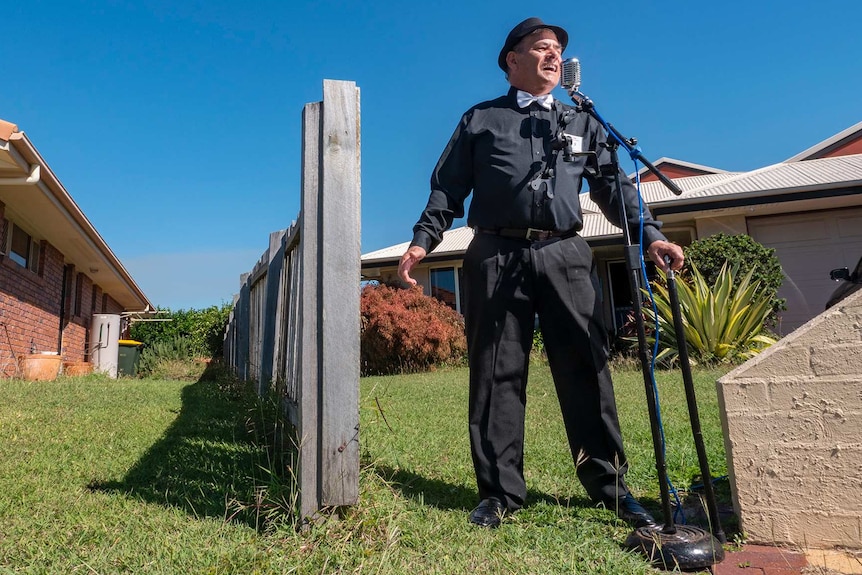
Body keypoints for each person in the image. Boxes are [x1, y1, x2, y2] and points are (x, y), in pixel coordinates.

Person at [398, 17, 685, 529]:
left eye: (557, 49)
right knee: (496, 374)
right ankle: (499, 494)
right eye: (540, 47)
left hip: (566, 254)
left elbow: (613, 188)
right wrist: (424, 241)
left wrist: (650, 233)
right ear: (511, 60)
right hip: (494, 254)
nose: (553, 55)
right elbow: (447, 189)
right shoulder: (480, 120)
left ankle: (610, 488)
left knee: (586, 369)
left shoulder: (583, 121)